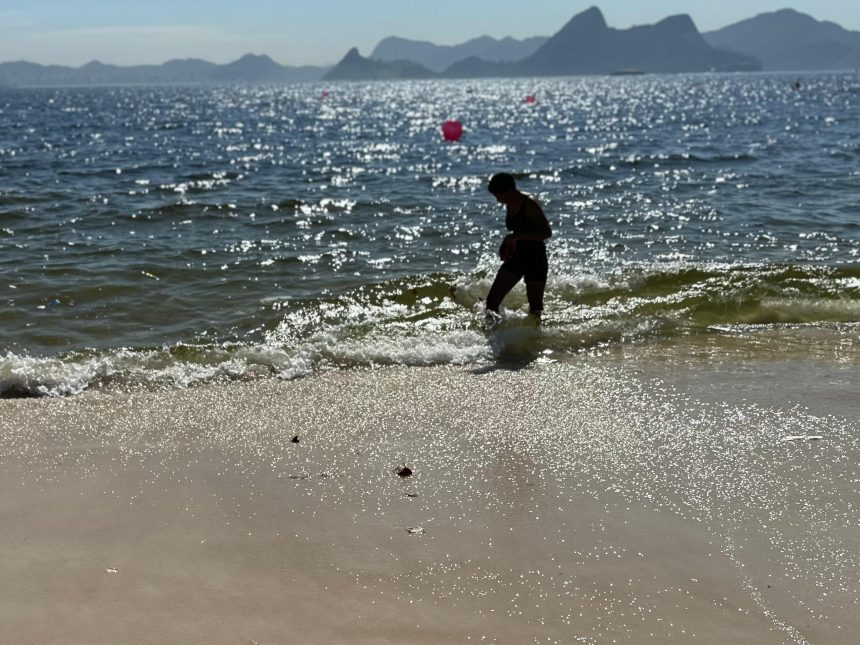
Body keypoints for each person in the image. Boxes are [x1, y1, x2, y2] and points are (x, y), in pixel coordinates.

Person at [485, 173, 552, 319]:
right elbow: (518, 230)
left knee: (535, 308)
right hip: (517, 256)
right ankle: (492, 336)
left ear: (509, 191)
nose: (497, 200)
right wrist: (509, 241)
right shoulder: (510, 202)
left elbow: (546, 232)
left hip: (536, 259)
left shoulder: (529, 203)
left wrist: (517, 236)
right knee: (492, 301)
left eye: (498, 196)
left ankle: (536, 339)